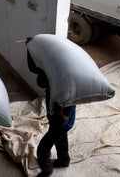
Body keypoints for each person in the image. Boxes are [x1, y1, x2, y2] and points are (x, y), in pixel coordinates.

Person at [27, 49, 76, 177]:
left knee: (43, 150)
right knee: (61, 140)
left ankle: (47, 170)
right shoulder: (51, 74)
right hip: (57, 120)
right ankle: (64, 160)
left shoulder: (65, 91)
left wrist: (59, 111)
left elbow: (65, 120)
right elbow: (33, 68)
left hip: (61, 123)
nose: (43, 87)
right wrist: (29, 49)